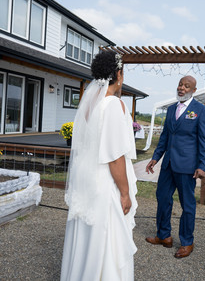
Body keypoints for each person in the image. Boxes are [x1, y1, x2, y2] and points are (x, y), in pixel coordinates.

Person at [60, 50, 137, 281]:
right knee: (107, 235)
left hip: (86, 176)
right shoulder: (113, 104)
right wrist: (125, 193)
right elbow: (114, 156)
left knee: (86, 231)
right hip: (104, 180)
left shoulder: (89, 102)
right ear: (119, 74)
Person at [145, 76, 205, 258]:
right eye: (180, 85)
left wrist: (203, 166)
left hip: (188, 167)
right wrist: (156, 157)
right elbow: (165, 136)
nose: (182, 88)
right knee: (163, 198)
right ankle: (164, 235)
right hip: (168, 165)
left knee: (187, 205)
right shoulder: (171, 109)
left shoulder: (201, 111)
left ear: (193, 90)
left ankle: (187, 242)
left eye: (186, 86)